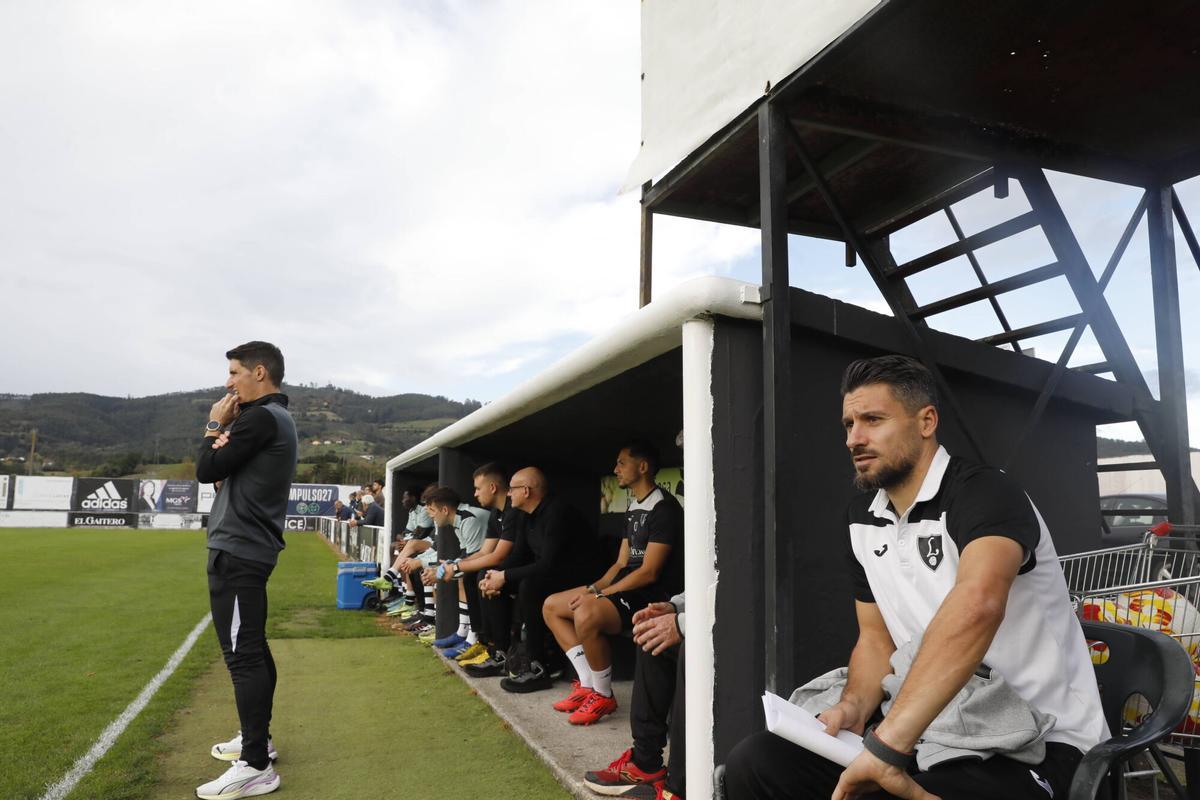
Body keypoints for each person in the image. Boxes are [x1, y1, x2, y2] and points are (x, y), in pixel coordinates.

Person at [724, 355, 1108, 800]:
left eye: (872, 419)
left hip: (1039, 740)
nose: (854, 438)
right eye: (848, 424)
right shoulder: (861, 518)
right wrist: (854, 705)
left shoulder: (985, 492)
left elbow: (978, 604)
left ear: (926, 421)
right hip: (933, 730)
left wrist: (888, 745)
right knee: (756, 763)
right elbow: (875, 640)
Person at [194, 341, 297, 800]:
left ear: (259, 372)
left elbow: (204, 469)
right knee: (251, 647)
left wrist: (216, 425)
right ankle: (259, 739)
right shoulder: (271, 419)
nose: (227, 382)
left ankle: (254, 764)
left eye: (234, 372)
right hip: (245, 548)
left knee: (243, 655)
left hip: (239, 550)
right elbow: (222, 474)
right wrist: (222, 447)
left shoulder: (258, 418)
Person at [543, 439, 684, 725]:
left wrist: (599, 596)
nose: (615, 469)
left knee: (586, 613)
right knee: (552, 606)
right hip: (623, 587)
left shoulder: (665, 509)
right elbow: (620, 563)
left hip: (652, 593)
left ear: (642, 467)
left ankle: (603, 695)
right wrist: (594, 589)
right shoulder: (633, 506)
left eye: (622, 463)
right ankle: (587, 683)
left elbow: (649, 572)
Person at [479, 467, 605, 693]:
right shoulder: (526, 516)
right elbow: (519, 556)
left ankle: (537, 666)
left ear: (526, 491)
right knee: (488, 576)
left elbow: (548, 564)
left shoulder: (557, 512)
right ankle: (499, 651)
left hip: (583, 577)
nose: (509, 494)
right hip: (551, 573)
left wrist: (504, 576)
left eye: (512, 490)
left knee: (530, 586)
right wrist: (494, 575)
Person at [584, 594, 688, 800]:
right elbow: (707, 579)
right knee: (651, 635)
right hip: (704, 616)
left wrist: (681, 622)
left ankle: (678, 788)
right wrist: (674, 606)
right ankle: (645, 762)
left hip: (737, 633)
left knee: (690, 650)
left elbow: (735, 597)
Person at [442, 463, 520, 672]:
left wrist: (458, 565)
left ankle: (500, 651)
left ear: (493, 487)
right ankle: (482, 640)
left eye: (478, 488)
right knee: (470, 575)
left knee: (484, 576)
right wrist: (457, 565)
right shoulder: (495, 514)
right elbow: (485, 552)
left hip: (524, 572)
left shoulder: (513, 510)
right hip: (509, 569)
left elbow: (498, 556)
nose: (475, 494)